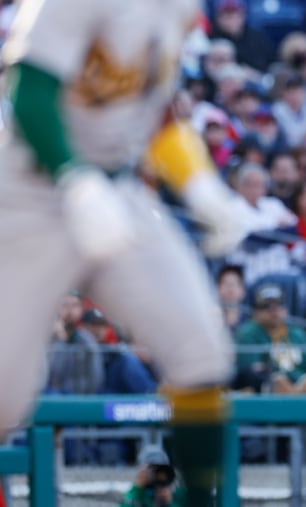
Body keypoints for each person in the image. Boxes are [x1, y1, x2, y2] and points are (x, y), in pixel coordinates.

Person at [0, 2, 254, 504]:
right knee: (5, 397)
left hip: (117, 190)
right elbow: (29, 94)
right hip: (30, 193)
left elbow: (156, 111)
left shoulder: (177, 9)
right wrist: (76, 181)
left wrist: (199, 183)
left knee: (200, 349)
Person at [120, 445, 185, 507]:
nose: (155, 473)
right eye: (150, 468)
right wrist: (137, 489)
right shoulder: (139, 494)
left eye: (159, 468)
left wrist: (169, 503)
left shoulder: (177, 493)